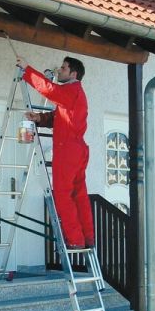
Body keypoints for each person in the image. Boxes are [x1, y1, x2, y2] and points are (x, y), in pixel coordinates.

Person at [16, 55, 94, 249]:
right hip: (78, 149)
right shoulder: (75, 94)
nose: (59, 70)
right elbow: (58, 117)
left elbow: (49, 89)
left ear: (73, 74)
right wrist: (39, 118)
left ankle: (75, 240)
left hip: (67, 150)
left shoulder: (71, 90)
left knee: (62, 195)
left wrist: (27, 70)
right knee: (79, 195)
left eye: (63, 68)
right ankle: (88, 238)